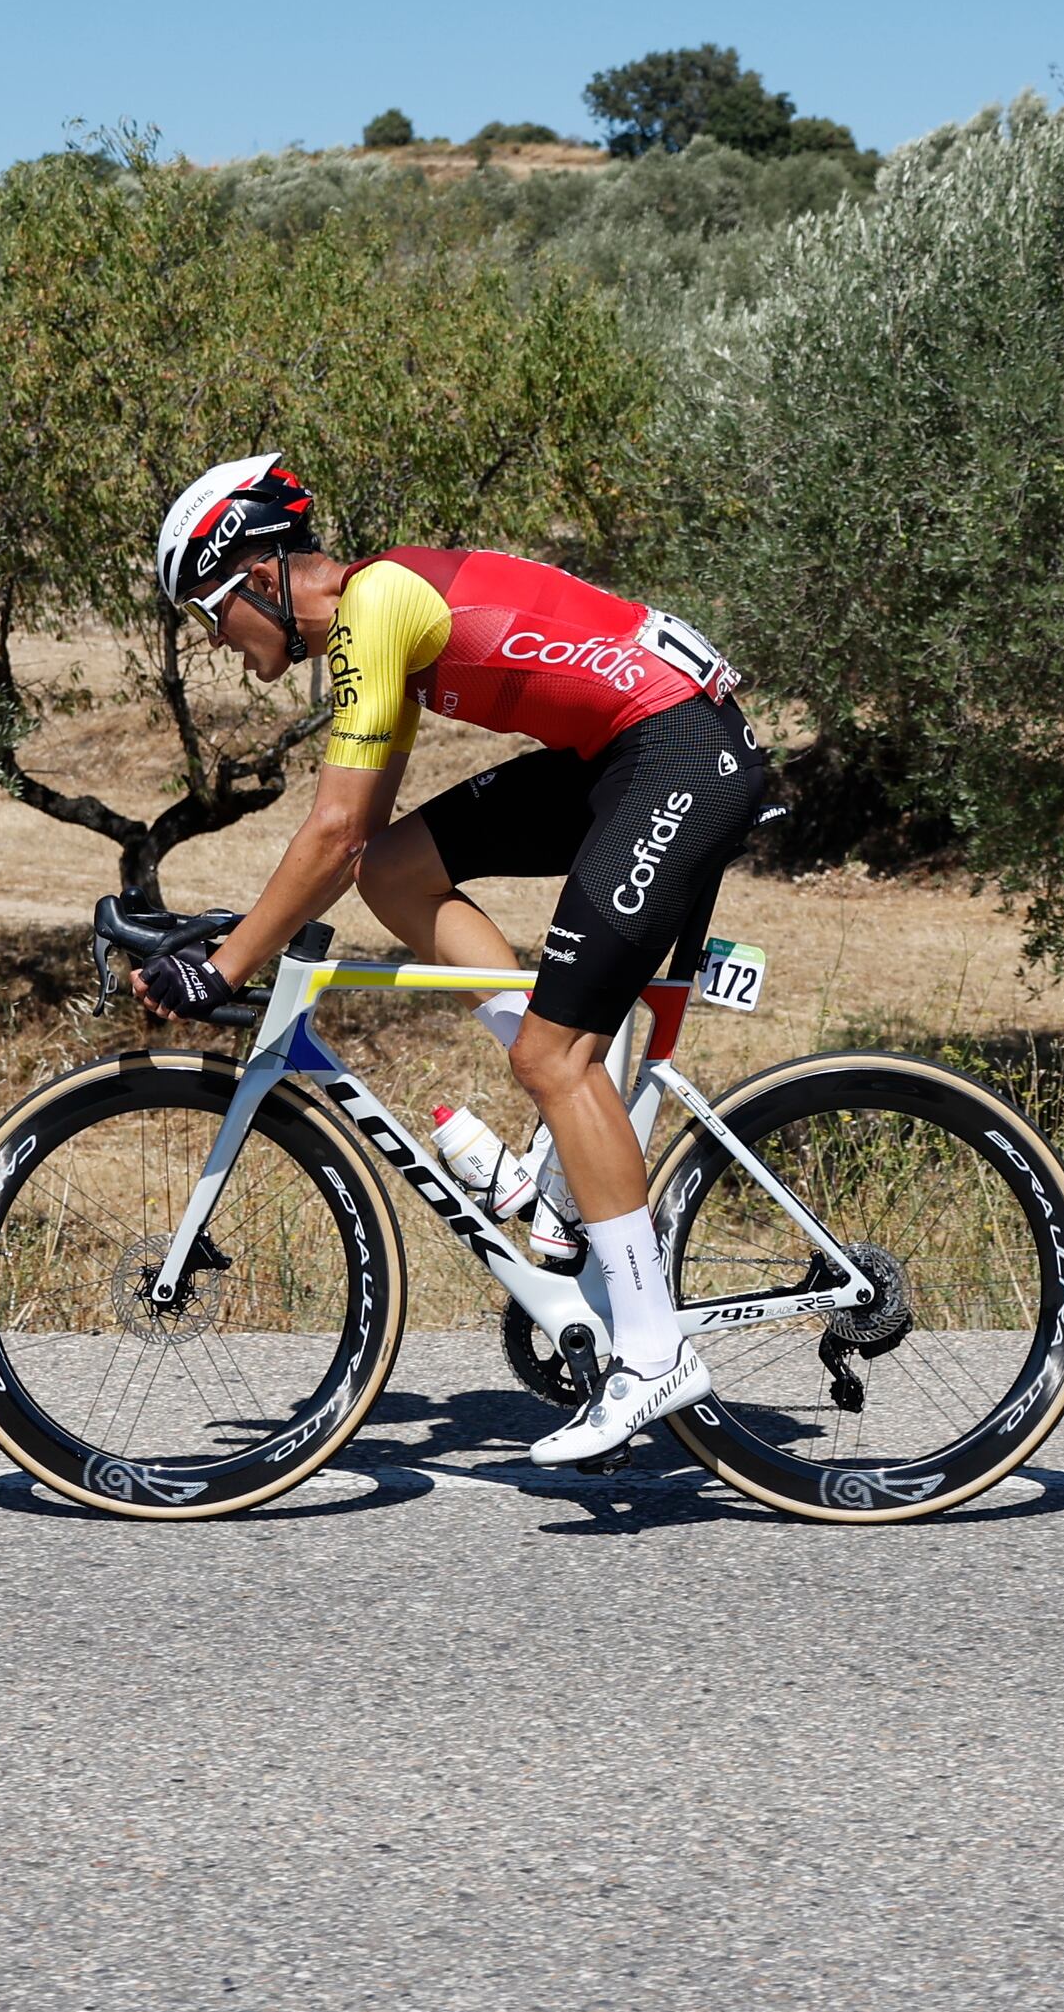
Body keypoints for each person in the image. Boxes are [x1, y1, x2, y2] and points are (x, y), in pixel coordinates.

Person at [135, 456, 772, 1467]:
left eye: (209, 609)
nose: (214, 639)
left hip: (676, 754)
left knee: (552, 1058)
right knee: (400, 871)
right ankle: (563, 1122)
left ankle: (653, 1355)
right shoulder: (374, 619)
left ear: (258, 572)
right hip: (626, 751)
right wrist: (246, 937)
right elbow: (363, 843)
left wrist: (224, 966)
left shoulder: (375, 604)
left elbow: (330, 826)